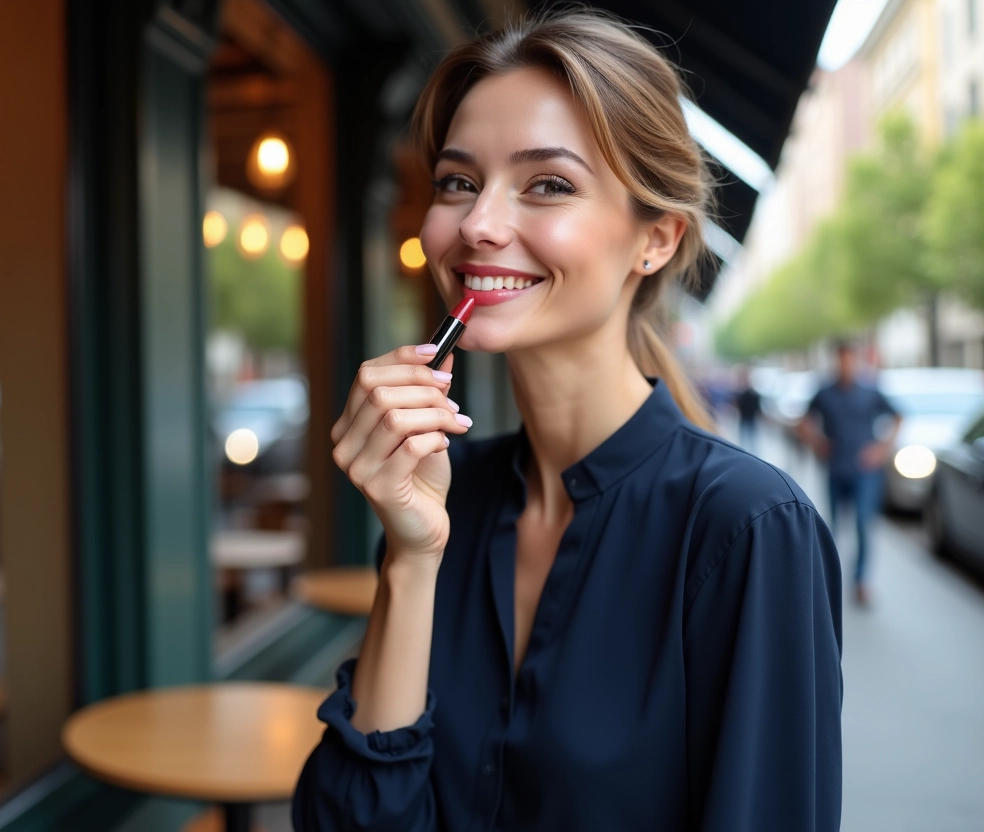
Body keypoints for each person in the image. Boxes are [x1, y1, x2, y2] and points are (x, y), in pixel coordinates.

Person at [294, 11, 842, 832]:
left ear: (656, 239)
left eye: (548, 184)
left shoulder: (748, 528)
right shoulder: (444, 498)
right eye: (457, 182)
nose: (478, 224)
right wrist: (411, 561)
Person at [799, 342, 900, 607]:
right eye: (841, 359)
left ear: (855, 361)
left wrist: (881, 450)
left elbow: (898, 417)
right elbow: (803, 422)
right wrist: (817, 443)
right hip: (835, 469)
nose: (845, 364)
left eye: (849, 359)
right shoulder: (825, 393)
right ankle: (830, 578)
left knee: (863, 525)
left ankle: (861, 580)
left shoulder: (870, 391)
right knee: (833, 526)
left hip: (865, 472)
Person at [734, 366, 763, 451]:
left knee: (750, 438)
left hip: (750, 418)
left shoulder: (752, 393)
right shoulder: (742, 393)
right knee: (746, 438)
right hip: (745, 418)